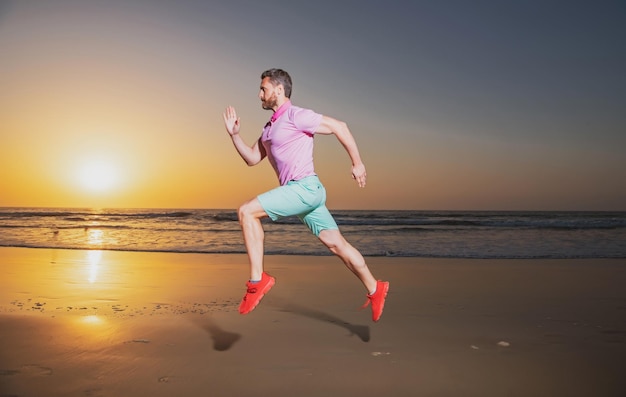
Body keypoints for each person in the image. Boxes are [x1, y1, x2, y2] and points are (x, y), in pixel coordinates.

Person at [223, 68, 389, 322]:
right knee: (337, 245)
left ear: (279, 90)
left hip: (304, 188)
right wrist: (234, 136)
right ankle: (375, 289)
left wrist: (357, 163)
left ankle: (258, 281)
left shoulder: (295, 115)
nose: (259, 95)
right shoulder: (269, 128)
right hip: (304, 197)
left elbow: (339, 126)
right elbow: (253, 159)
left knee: (246, 212)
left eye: (263, 89)